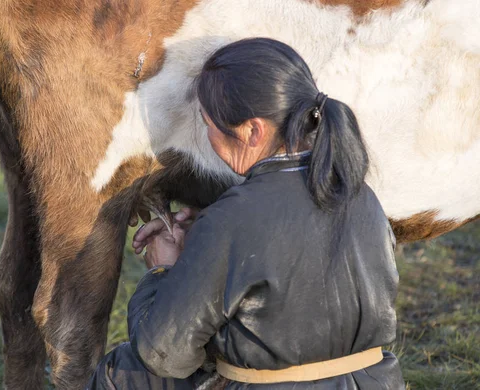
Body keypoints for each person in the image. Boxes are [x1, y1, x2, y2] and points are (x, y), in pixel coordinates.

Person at [87, 37, 405, 389]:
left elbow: (163, 353)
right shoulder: (362, 195)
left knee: (123, 370)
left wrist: (165, 271)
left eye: (209, 123)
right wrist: (205, 244)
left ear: (253, 131)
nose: (207, 135)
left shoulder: (231, 219)